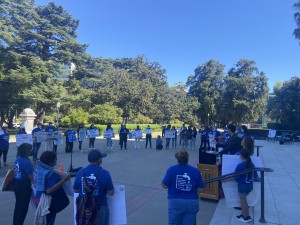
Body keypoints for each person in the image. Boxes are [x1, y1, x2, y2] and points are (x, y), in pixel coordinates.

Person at [162, 150, 204, 225]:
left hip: (175, 201)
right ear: (187, 159)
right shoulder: (196, 171)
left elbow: (164, 185)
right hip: (191, 202)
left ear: (177, 159)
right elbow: (201, 189)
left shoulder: (171, 170)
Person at [73, 149, 115, 225]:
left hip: (83, 208)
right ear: (99, 160)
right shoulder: (105, 173)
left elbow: (75, 189)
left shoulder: (80, 172)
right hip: (100, 208)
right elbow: (111, 192)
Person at [35, 151, 70, 225]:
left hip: (38, 198)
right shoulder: (51, 174)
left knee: (42, 221)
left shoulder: (39, 169)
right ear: (51, 162)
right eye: (55, 159)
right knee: (49, 221)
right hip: (48, 202)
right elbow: (48, 190)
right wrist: (63, 180)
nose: (56, 160)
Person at [13, 143, 34, 225]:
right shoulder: (27, 162)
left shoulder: (17, 159)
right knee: (23, 207)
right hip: (24, 185)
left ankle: (15, 222)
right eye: (30, 150)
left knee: (18, 205)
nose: (31, 151)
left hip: (17, 183)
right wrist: (35, 184)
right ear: (26, 152)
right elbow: (31, 177)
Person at [234, 149, 255, 223]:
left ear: (242, 156)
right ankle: (244, 214)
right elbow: (255, 175)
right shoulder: (252, 164)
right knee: (245, 201)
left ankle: (246, 217)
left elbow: (236, 176)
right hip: (250, 186)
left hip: (242, 186)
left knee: (243, 201)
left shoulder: (240, 165)